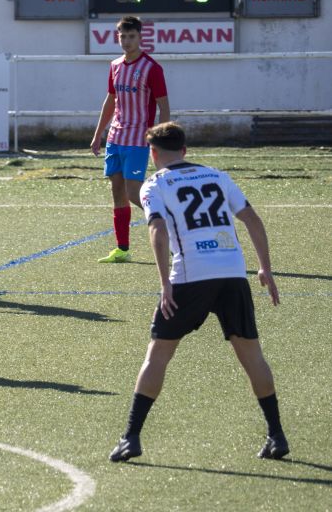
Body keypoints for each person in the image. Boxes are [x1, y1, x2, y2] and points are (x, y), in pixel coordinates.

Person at [109, 122, 288, 462]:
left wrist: (165, 284)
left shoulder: (155, 184)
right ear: (185, 150)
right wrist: (265, 268)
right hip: (233, 273)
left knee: (158, 355)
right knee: (253, 356)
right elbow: (251, 218)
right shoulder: (218, 176)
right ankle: (277, 434)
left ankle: (131, 437)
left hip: (190, 276)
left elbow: (158, 231)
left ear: (153, 153)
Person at [90, 15, 170, 263]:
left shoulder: (152, 68)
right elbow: (110, 102)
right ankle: (122, 248)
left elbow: (163, 107)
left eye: (131, 36)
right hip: (115, 137)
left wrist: (161, 139)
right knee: (117, 192)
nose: (126, 40)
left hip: (138, 139)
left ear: (140, 37)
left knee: (135, 193)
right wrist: (98, 135)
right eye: (122, 36)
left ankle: (170, 224)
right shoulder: (114, 65)